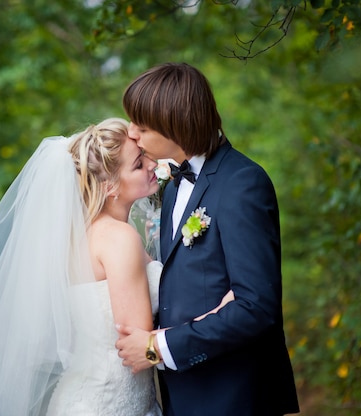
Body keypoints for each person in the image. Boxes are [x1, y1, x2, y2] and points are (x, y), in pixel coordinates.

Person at [0, 118, 164, 416]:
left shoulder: (74, 238)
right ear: (109, 186)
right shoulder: (118, 238)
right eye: (138, 164)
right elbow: (137, 344)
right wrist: (216, 315)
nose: (153, 164)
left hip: (79, 399)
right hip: (110, 404)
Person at [115, 62, 300, 415]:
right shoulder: (170, 187)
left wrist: (159, 346)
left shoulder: (241, 184)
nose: (132, 133)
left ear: (175, 125)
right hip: (180, 394)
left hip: (231, 395)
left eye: (142, 125)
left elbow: (256, 308)